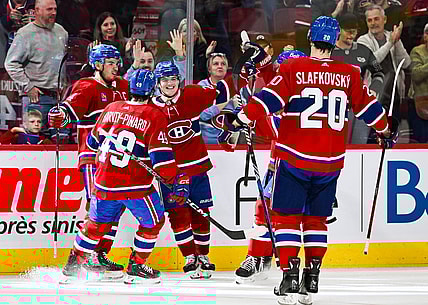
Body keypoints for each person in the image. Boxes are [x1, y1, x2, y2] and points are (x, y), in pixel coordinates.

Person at [233, 16, 393, 305]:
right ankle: (312, 278)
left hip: (295, 158)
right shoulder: (350, 73)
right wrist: (385, 130)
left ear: (311, 39)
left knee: (287, 219)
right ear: (334, 41)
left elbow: (268, 100)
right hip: (331, 162)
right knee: (316, 220)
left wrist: (242, 116)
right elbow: (370, 109)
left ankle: (289, 278)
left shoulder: (294, 67)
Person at [60, 68, 188, 284]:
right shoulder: (154, 115)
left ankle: (72, 266)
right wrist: (177, 181)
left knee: (96, 225)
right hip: (134, 185)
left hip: (103, 182)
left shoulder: (111, 108)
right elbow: (163, 163)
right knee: (153, 222)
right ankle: (136, 266)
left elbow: (92, 143)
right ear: (153, 89)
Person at [48, 44, 129, 278]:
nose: (116, 67)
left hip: (118, 160)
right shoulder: (86, 86)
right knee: (98, 205)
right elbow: (67, 113)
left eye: (117, 62)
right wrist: (59, 116)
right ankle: (83, 255)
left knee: (116, 207)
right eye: (111, 63)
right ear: (98, 65)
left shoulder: (123, 87)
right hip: (93, 157)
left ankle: (100, 253)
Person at [234, 49, 308, 285]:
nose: (278, 76)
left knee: (288, 217)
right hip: (279, 163)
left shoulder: (297, 102)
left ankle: (287, 264)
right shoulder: (284, 91)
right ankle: (257, 256)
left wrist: (249, 115)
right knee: (263, 210)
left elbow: (274, 128)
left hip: (297, 166)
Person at [151, 61, 222, 279]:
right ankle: (190, 257)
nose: (170, 83)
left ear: (179, 80)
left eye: (173, 78)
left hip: (197, 167)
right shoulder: (151, 108)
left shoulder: (192, 95)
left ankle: (204, 255)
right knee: (178, 215)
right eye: (165, 79)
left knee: (201, 213)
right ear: (158, 83)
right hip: (170, 172)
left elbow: (214, 90)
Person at [4, 0, 68, 141]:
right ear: (37, 10)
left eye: (55, 9)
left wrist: (63, 86)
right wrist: (28, 87)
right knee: (33, 141)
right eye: (49, 9)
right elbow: (11, 63)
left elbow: (63, 63)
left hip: (58, 99)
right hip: (36, 98)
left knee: (61, 142)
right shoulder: (25, 34)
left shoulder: (62, 32)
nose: (54, 13)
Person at [332, 13, 385, 144]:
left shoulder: (364, 51)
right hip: (334, 105)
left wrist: (373, 90)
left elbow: (379, 72)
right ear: (339, 30)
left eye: (354, 31)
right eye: (348, 31)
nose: (351, 35)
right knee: (336, 142)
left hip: (359, 105)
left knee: (359, 142)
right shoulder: (329, 51)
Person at [357, 5, 411, 122]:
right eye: (369, 20)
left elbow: (406, 63)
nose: (373, 23)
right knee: (375, 134)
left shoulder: (391, 36)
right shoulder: (363, 41)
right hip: (375, 97)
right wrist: (390, 43)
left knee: (393, 133)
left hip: (395, 95)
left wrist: (397, 41)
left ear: (384, 19)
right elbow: (371, 63)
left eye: (376, 19)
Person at [408, 23, 428, 143]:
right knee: (420, 143)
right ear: (425, 36)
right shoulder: (417, 52)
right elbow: (416, 74)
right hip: (420, 105)